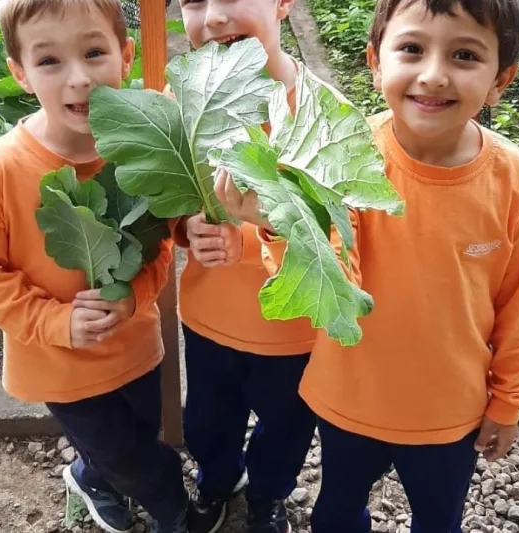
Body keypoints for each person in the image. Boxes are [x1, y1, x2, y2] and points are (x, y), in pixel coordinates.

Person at [213, 1, 519, 532]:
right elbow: (320, 277)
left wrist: (508, 399)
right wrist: (276, 222)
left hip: (449, 411)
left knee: (438, 519)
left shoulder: (515, 179)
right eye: (412, 49)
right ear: (375, 61)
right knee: (337, 513)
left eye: (464, 55)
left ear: (500, 79)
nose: (433, 75)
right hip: (351, 398)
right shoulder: (340, 155)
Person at [0, 1, 190, 532]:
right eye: (51, 61)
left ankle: (91, 476)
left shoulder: (139, 149)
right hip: (58, 364)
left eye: (94, 53)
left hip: (137, 346)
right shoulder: (0, 168)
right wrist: (54, 322)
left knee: (138, 432)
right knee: (135, 460)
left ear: (124, 56)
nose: (78, 78)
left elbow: (162, 244)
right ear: (20, 73)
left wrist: (135, 295)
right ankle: (174, 510)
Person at [171, 1, 324, 532]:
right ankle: (216, 482)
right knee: (207, 421)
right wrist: (185, 227)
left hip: (293, 331)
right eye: (193, 0)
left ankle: (268, 497)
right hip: (209, 318)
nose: (212, 17)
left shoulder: (318, 110)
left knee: (286, 428)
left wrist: (266, 228)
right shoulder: (184, 101)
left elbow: (341, 229)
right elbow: (167, 193)